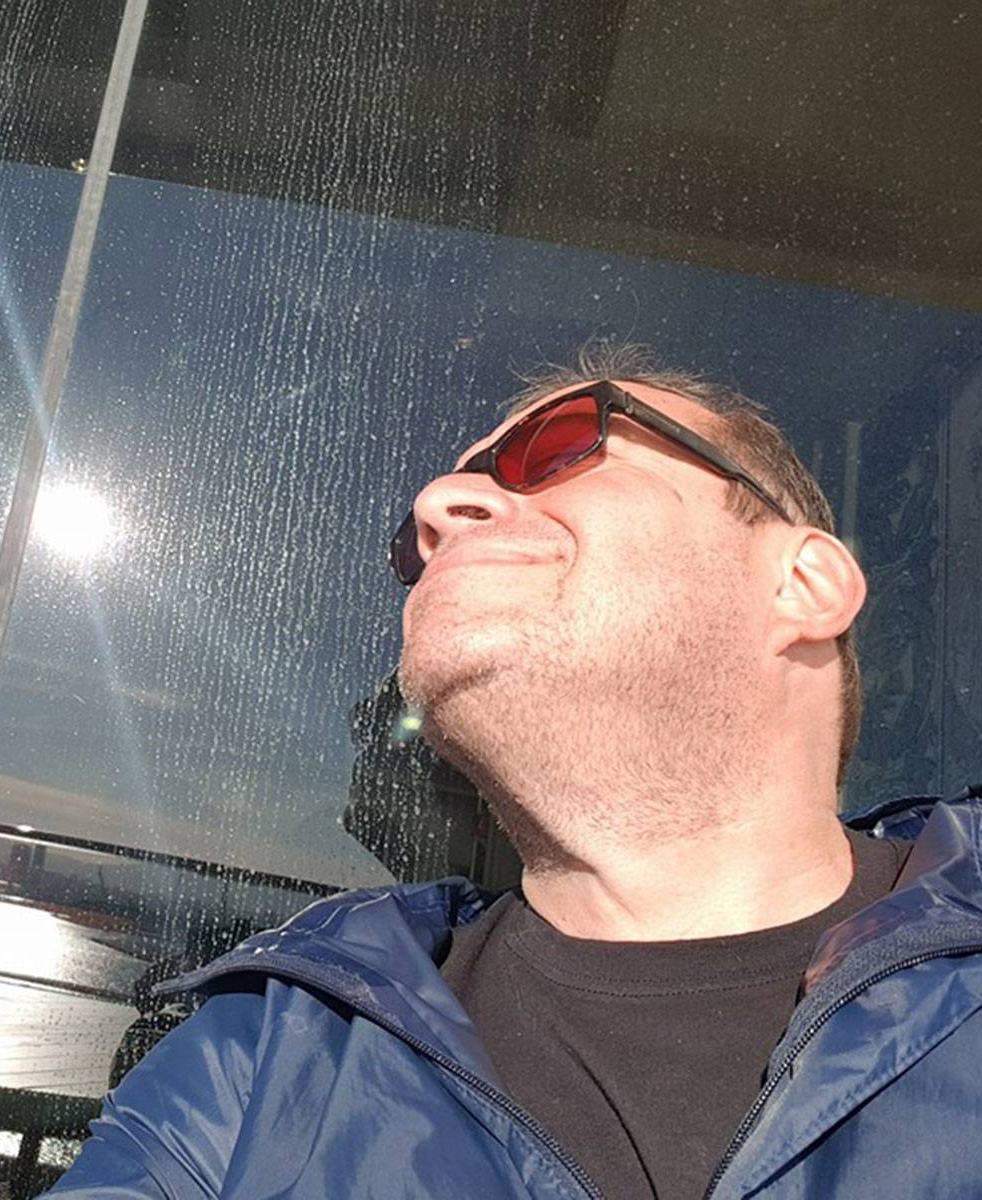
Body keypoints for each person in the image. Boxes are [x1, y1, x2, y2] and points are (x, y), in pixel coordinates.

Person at [48, 344, 982, 1199]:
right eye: (414, 542)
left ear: (804, 585)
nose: (436, 508)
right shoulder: (270, 1057)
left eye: (561, 444)